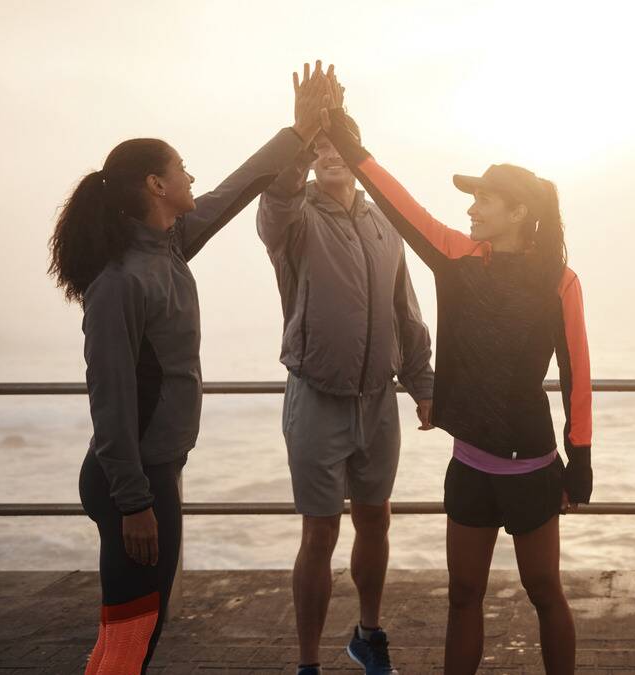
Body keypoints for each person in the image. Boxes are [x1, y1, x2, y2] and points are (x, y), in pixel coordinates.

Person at [47, 63, 333, 674]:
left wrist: (301, 132)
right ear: (156, 184)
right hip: (134, 483)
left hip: (152, 474)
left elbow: (236, 188)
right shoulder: (120, 282)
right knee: (131, 635)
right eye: (181, 168)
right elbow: (111, 400)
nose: (191, 176)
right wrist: (133, 502)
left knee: (128, 632)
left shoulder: (169, 246)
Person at [317, 97, 594, 675]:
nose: (471, 209)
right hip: (469, 465)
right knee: (463, 596)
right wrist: (347, 143)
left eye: (483, 200)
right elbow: (402, 207)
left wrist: (581, 458)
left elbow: (577, 373)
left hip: (531, 467)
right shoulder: (457, 258)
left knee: (545, 592)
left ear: (518, 212)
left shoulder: (560, 282)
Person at [257, 67, 436, 675]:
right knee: (319, 534)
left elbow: (405, 310)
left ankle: (368, 633)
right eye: (319, 151)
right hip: (317, 397)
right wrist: (300, 131)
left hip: (378, 401)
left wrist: (424, 384)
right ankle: (308, 662)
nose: (328, 156)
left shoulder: (384, 222)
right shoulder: (295, 220)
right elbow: (274, 201)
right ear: (309, 162)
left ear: (358, 159)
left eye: (337, 147)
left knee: (376, 521)